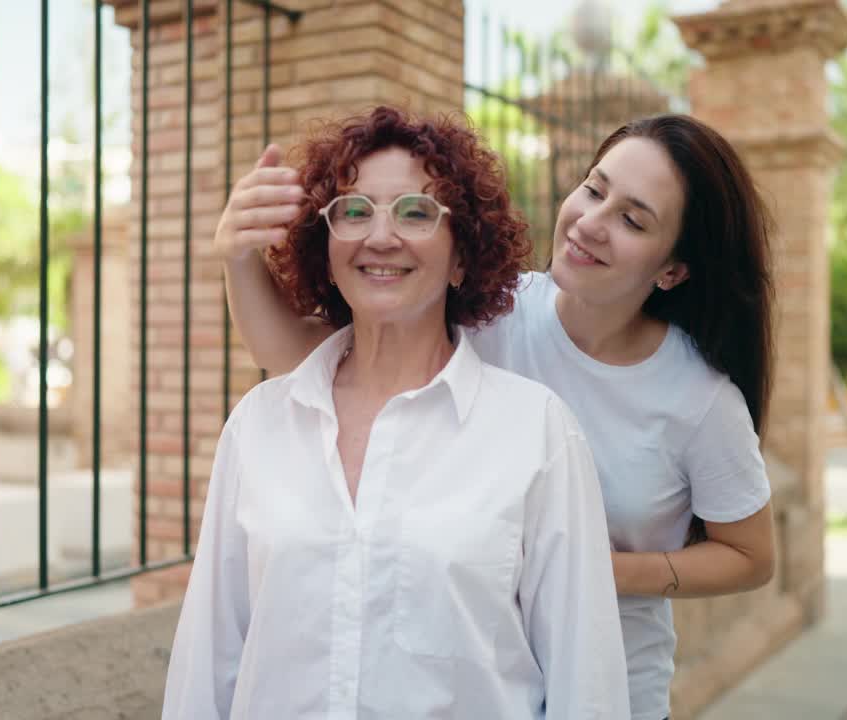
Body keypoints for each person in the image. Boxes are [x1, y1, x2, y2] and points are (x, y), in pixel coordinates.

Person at [217, 112, 778, 720]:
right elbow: (299, 356)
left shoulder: (699, 400)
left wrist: (593, 572)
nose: (590, 223)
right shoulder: (498, 312)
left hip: (614, 687)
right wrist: (240, 256)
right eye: (594, 189)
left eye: (632, 219)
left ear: (672, 269)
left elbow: (750, 557)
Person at [162, 106, 631, 719]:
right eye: (354, 212)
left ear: (462, 257)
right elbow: (210, 660)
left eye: (416, 212)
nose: (380, 236)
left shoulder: (536, 432)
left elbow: (585, 679)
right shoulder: (259, 425)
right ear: (326, 249)